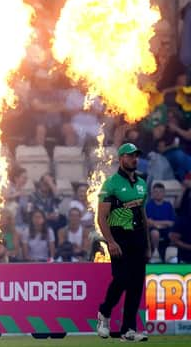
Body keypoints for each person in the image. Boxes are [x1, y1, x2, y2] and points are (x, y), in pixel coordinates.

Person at [96, 143, 149, 342]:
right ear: (121, 159)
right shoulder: (111, 184)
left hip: (137, 238)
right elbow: (102, 217)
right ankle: (104, 313)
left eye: (136, 155)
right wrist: (110, 241)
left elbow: (143, 215)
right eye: (130, 156)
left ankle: (128, 329)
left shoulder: (142, 182)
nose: (134, 159)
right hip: (119, 237)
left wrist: (148, 246)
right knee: (122, 279)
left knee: (136, 285)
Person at [145, 182, 176, 263]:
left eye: (160, 192)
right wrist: (163, 223)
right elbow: (148, 222)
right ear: (152, 193)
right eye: (156, 192)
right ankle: (155, 254)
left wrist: (156, 223)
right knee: (155, 232)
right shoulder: (149, 205)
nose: (158, 194)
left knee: (174, 234)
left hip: (167, 230)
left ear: (164, 193)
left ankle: (171, 257)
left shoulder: (168, 205)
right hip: (153, 230)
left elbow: (171, 223)